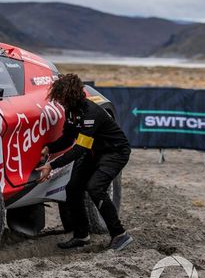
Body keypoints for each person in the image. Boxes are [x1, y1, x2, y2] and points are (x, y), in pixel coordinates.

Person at [36, 73, 133, 251]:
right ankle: (81, 235)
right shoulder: (71, 111)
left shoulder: (91, 114)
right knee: (73, 188)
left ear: (71, 95)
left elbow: (79, 149)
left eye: (62, 98)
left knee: (95, 188)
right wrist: (49, 148)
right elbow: (68, 139)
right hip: (95, 151)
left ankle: (120, 234)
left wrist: (51, 165)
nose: (60, 102)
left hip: (115, 152)